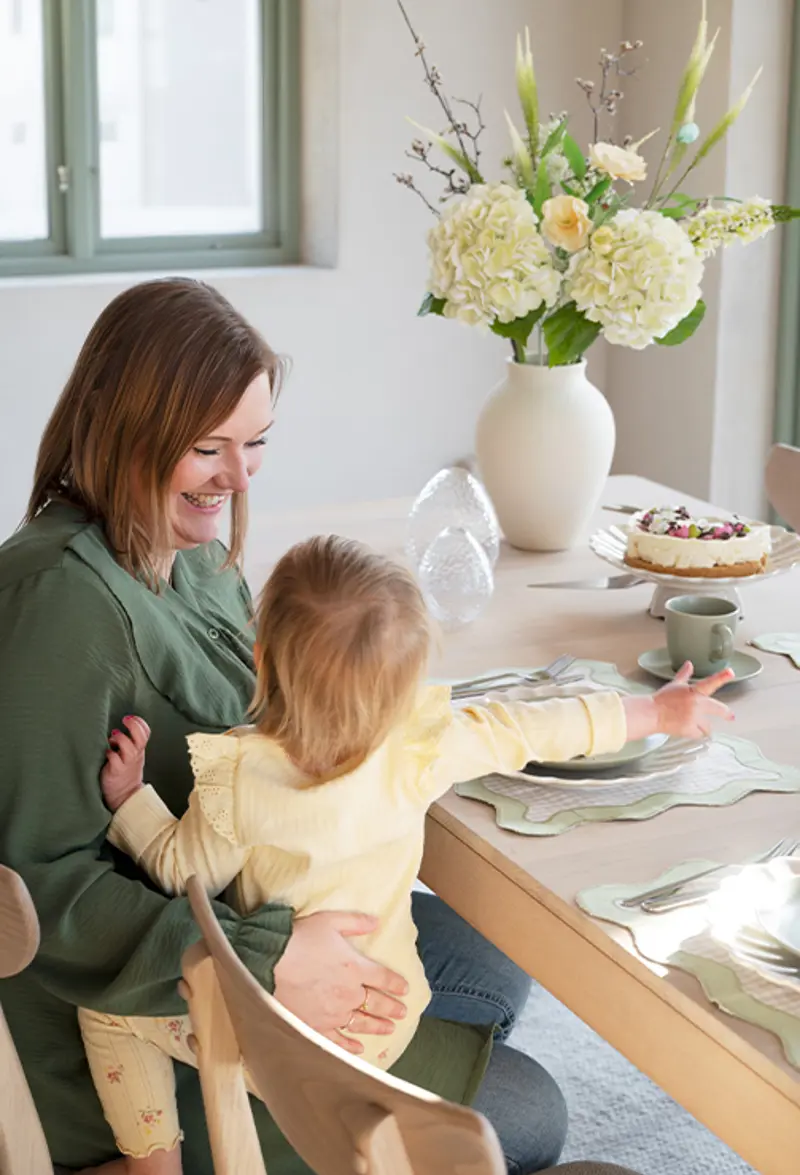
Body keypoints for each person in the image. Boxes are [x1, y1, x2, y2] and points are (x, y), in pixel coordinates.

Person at [0, 276, 576, 1175]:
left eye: (255, 442)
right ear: (122, 429)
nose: (237, 478)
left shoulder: (187, 552)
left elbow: (270, 722)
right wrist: (265, 961)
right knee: (529, 1110)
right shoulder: (61, 605)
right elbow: (38, 893)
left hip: (236, 908)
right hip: (144, 1029)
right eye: (207, 448)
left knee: (500, 960)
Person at [80, 533, 733, 1175]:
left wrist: (131, 798)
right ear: (401, 687)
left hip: (270, 1049)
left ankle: (153, 1163)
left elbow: (176, 871)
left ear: (261, 657)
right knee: (499, 1015)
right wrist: (652, 712)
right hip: (380, 1028)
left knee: (103, 1008)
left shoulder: (240, 777)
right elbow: (528, 726)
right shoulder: (419, 747)